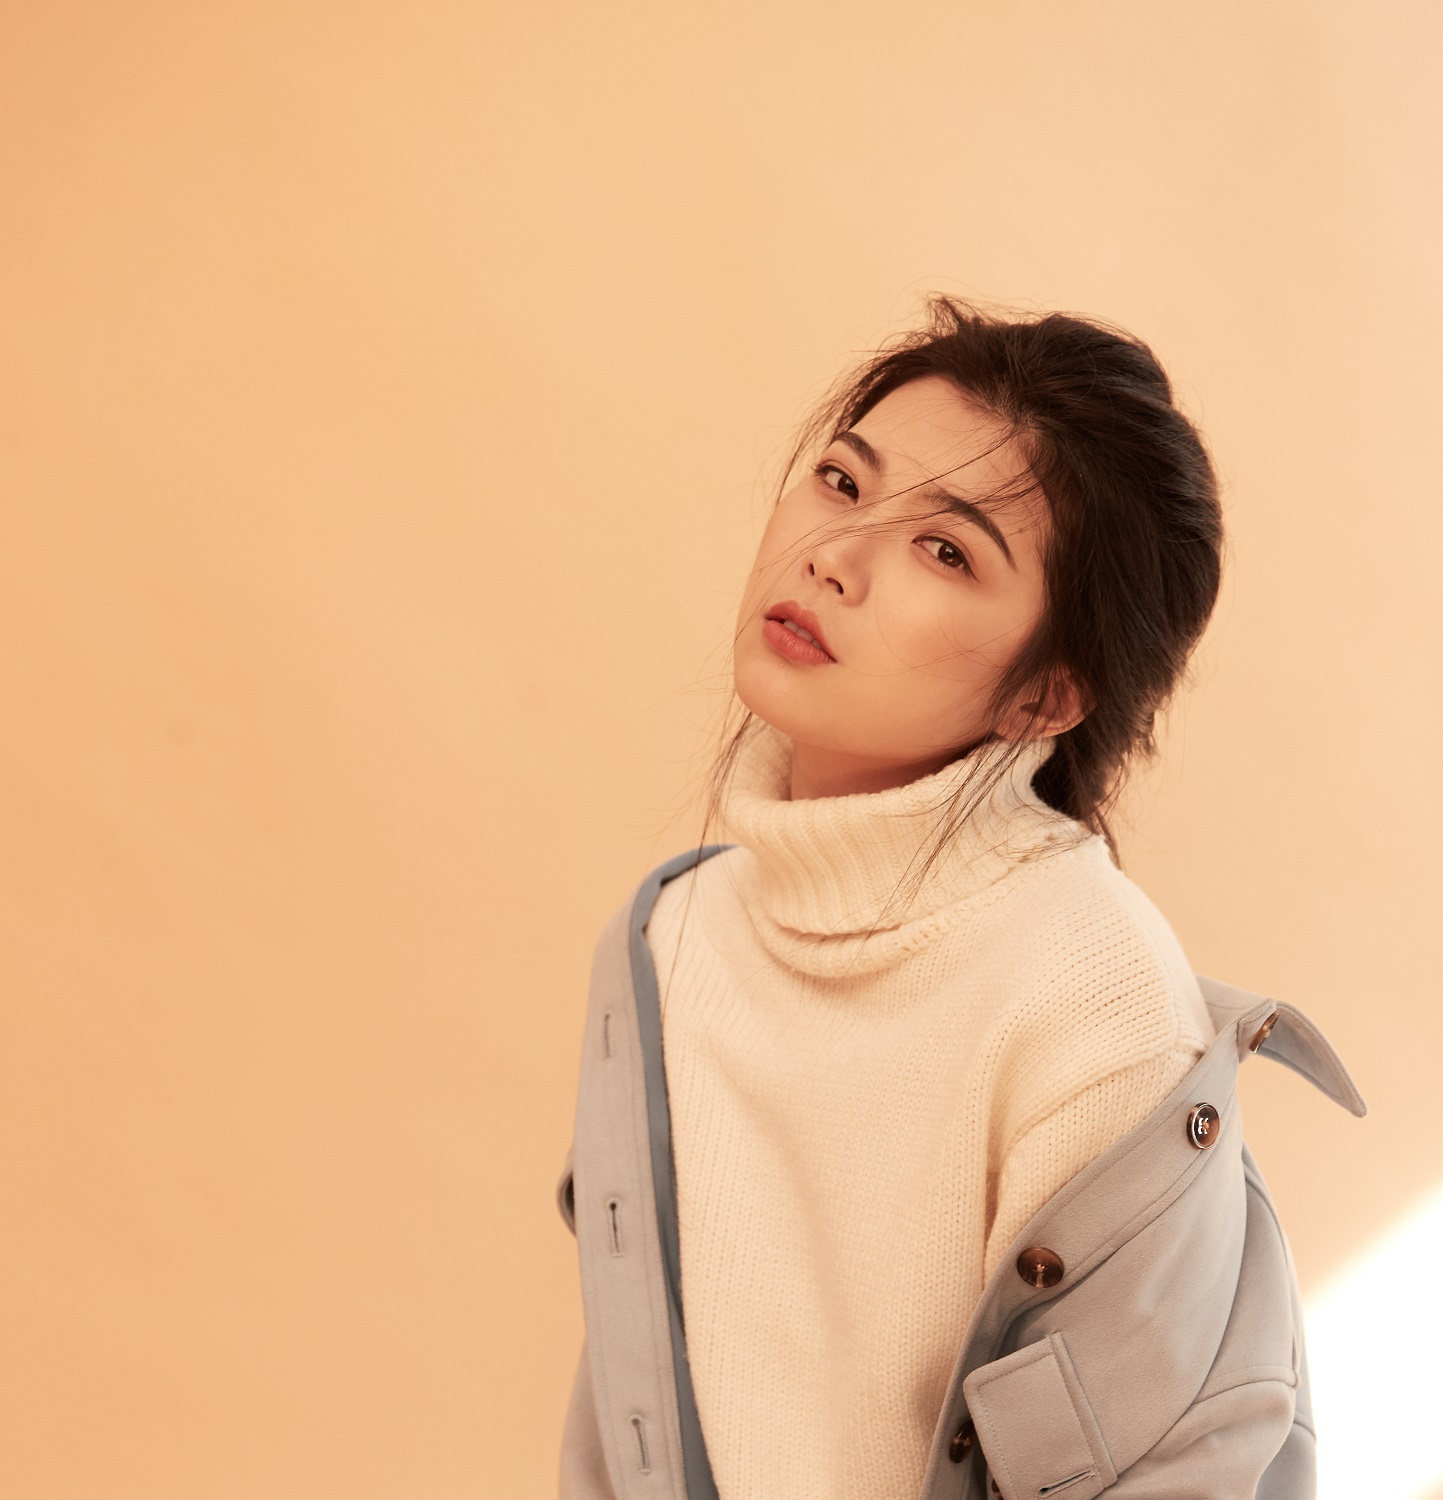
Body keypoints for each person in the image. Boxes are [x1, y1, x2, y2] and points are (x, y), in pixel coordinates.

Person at [557, 298, 1357, 1500]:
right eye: (841, 480)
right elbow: (622, 1427)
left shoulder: (1092, 999)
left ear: (1047, 697)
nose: (834, 554)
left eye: (946, 551)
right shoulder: (670, 940)